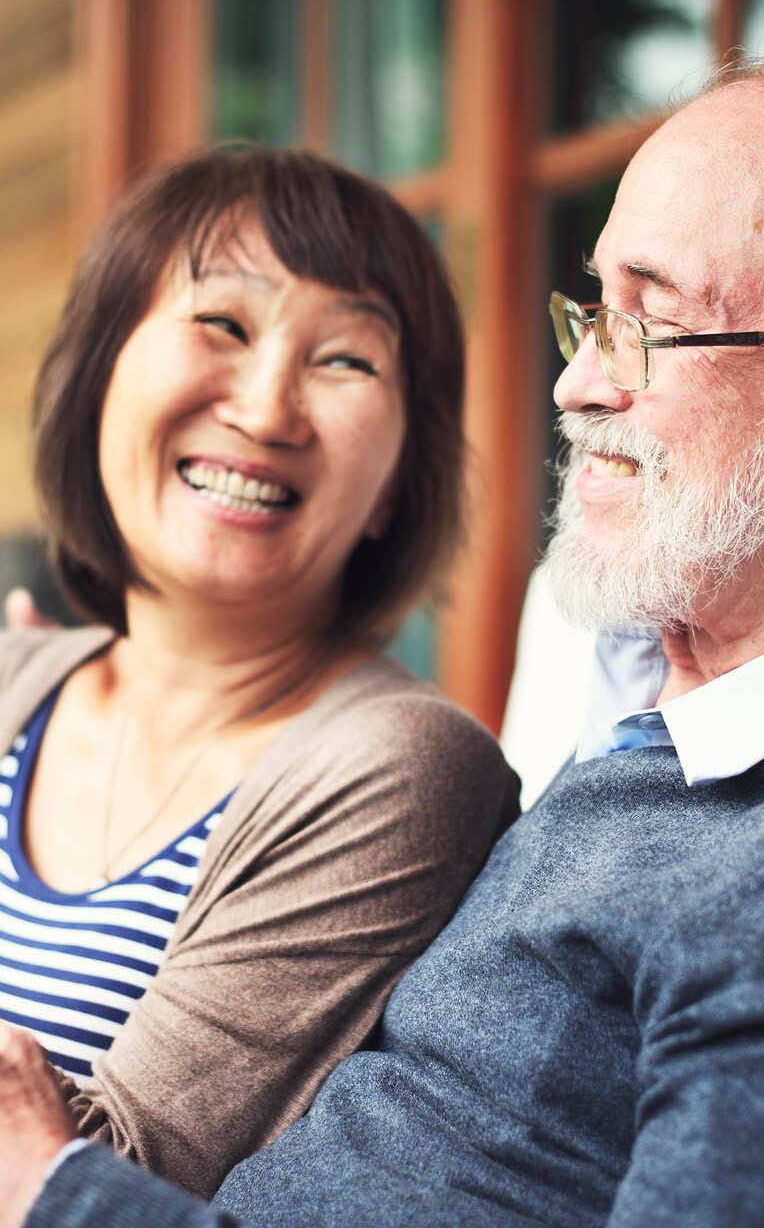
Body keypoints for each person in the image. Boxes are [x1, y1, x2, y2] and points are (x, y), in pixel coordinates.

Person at [4, 50, 764, 1228]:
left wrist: (50, 1186)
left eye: (658, 323)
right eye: (593, 313)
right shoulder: (648, 688)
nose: (575, 385)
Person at [0, 149, 519, 1199]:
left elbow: (97, 1182)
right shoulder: (18, 674)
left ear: (391, 488)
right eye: (224, 324)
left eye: (345, 362)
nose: (267, 407)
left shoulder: (398, 766)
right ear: (100, 378)